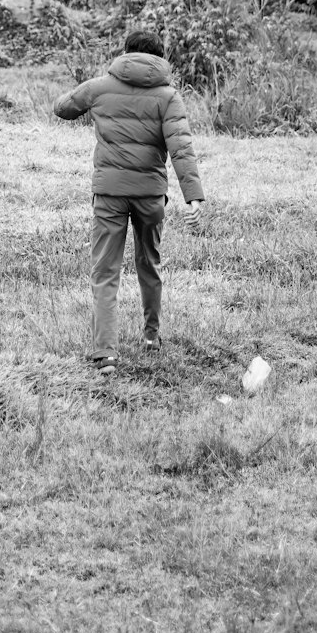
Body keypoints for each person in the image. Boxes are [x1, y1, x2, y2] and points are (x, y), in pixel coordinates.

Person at [54, 28, 205, 374]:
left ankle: (105, 353)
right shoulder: (169, 97)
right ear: (159, 58)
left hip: (109, 193)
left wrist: (90, 99)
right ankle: (151, 337)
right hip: (151, 194)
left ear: (125, 54)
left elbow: (62, 108)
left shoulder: (100, 87)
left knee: (105, 271)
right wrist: (193, 197)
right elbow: (181, 148)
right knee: (149, 264)